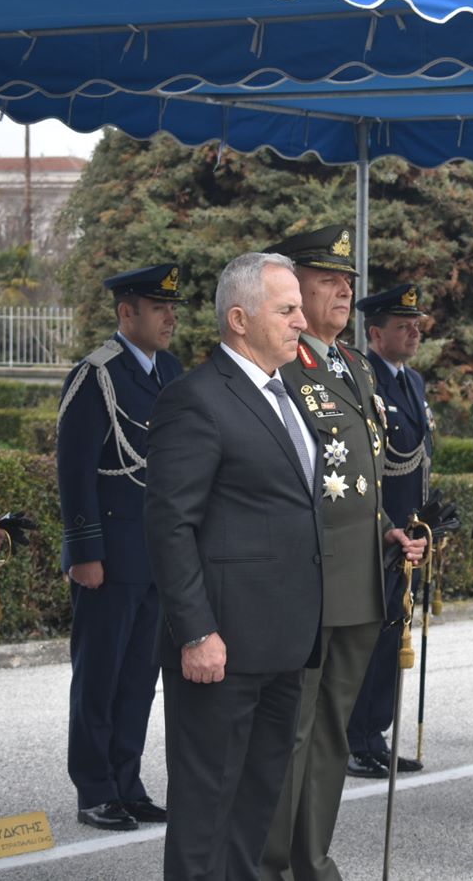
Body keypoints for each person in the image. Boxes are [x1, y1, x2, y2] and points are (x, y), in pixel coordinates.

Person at [142, 252, 321, 881]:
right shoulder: (196, 399)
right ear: (240, 319)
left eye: (300, 307)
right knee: (207, 809)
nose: (303, 319)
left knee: (255, 807)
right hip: (222, 644)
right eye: (288, 308)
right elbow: (170, 524)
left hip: (282, 642)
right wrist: (195, 630)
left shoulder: (286, 394)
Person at [259, 225, 423, 881]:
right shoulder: (278, 365)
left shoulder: (351, 365)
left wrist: (386, 526)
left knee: (329, 729)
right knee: (290, 730)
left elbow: (360, 472)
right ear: (291, 283)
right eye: (328, 278)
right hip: (307, 578)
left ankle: (311, 855)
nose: (344, 289)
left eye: (346, 280)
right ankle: (268, 861)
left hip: (358, 578)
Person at [57, 264, 184, 830]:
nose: (170, 316)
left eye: (172, 307)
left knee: (139, 678)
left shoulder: (171, 373)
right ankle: (95, 788)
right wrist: (84, 551)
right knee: (99, 676)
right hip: (110, 556)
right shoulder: (97, 375)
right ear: (126, 312)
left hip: (157, 554)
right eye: (158, 307)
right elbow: (75, 469)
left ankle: (127, 781)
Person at [344, 283, 433, 778]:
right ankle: (356, 737)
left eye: (416, 324)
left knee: (394, 633)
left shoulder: (411, 382)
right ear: (376, 333)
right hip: (376, 534)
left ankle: (375, 732)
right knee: (371, 637)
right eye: (403, 325)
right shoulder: (364, 379)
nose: (415, 331)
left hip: (409, 535)